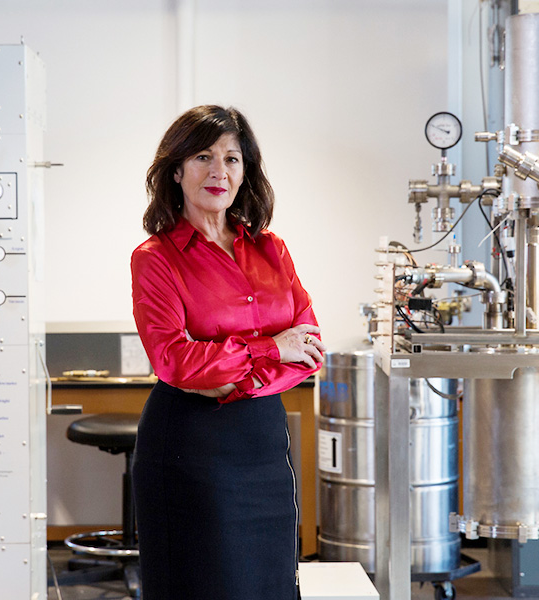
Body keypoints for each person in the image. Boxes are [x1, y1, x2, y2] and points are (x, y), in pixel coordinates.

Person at [130, 105, 326, 600]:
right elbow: (174, 361)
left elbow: (311, 349)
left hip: (263, 447)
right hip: (191, 450)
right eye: (203, 156)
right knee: (205, 585)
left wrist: (232, 370)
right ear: (177, 170)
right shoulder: (155, 259)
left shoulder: (271, 249)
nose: (219, 171)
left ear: (246, 171)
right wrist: (272, 349)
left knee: (270, 585)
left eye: (232, 159)